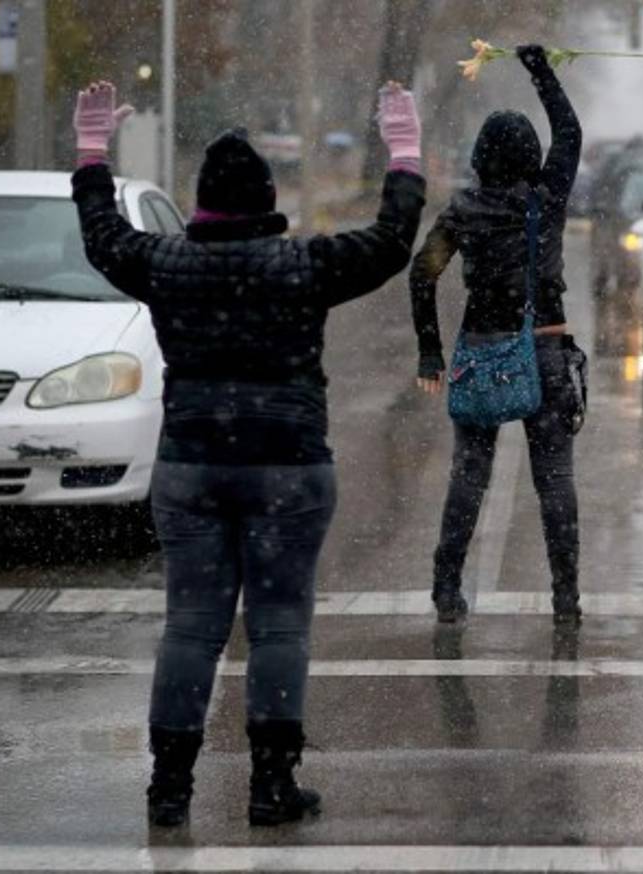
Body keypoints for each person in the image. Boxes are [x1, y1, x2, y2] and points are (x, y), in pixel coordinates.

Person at [70, 80, 425, 828]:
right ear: (267, 200)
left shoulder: (163, 263)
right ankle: (271, 785)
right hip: (288, 463)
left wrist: (91, 155)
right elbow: (392, 245)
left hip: (191, 465)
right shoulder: (302, 265)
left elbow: (102, 239)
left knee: (191, 627)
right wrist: (405, 155)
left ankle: (169, 788)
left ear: (200, 204)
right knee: (279, 627)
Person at [410, 44, 585, 625]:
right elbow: (570, 131)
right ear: (532, 156)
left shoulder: (462, 211)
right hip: (546, 348)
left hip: (482, 351)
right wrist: (540, 71)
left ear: (481, 156)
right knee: (554, 478)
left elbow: (422, 272)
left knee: (469, 477)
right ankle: (566, 600)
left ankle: (445, 590)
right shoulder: (547, 198)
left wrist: (431, 352)